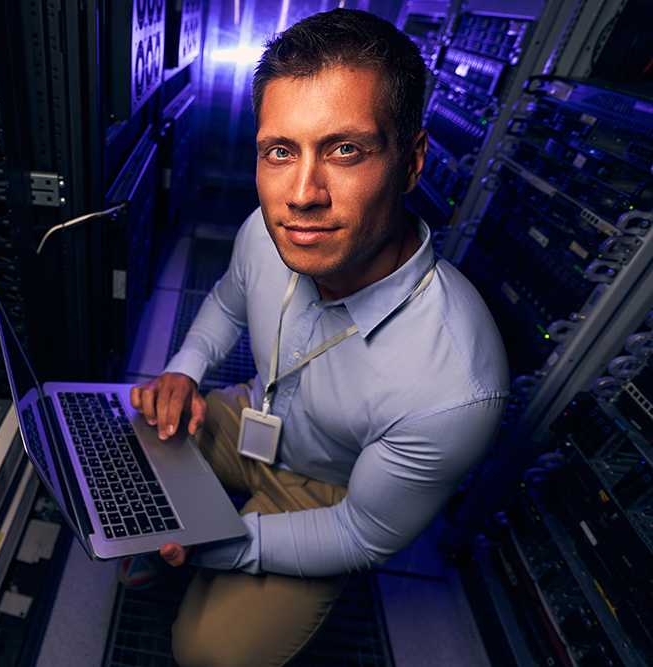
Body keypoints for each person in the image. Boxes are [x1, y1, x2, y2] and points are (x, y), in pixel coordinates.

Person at [123, 8, 510, 667]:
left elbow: (362, 531)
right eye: (281, 150)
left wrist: (234, 541)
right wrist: (186, 370)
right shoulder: (267, 233)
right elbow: (226, 300)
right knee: (132, 430)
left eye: (345, 150)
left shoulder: (456, 386)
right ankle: (161, 539)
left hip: (331, 488)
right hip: (256, 417)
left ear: (412, 161)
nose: (301, 195)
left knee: (206, 651)